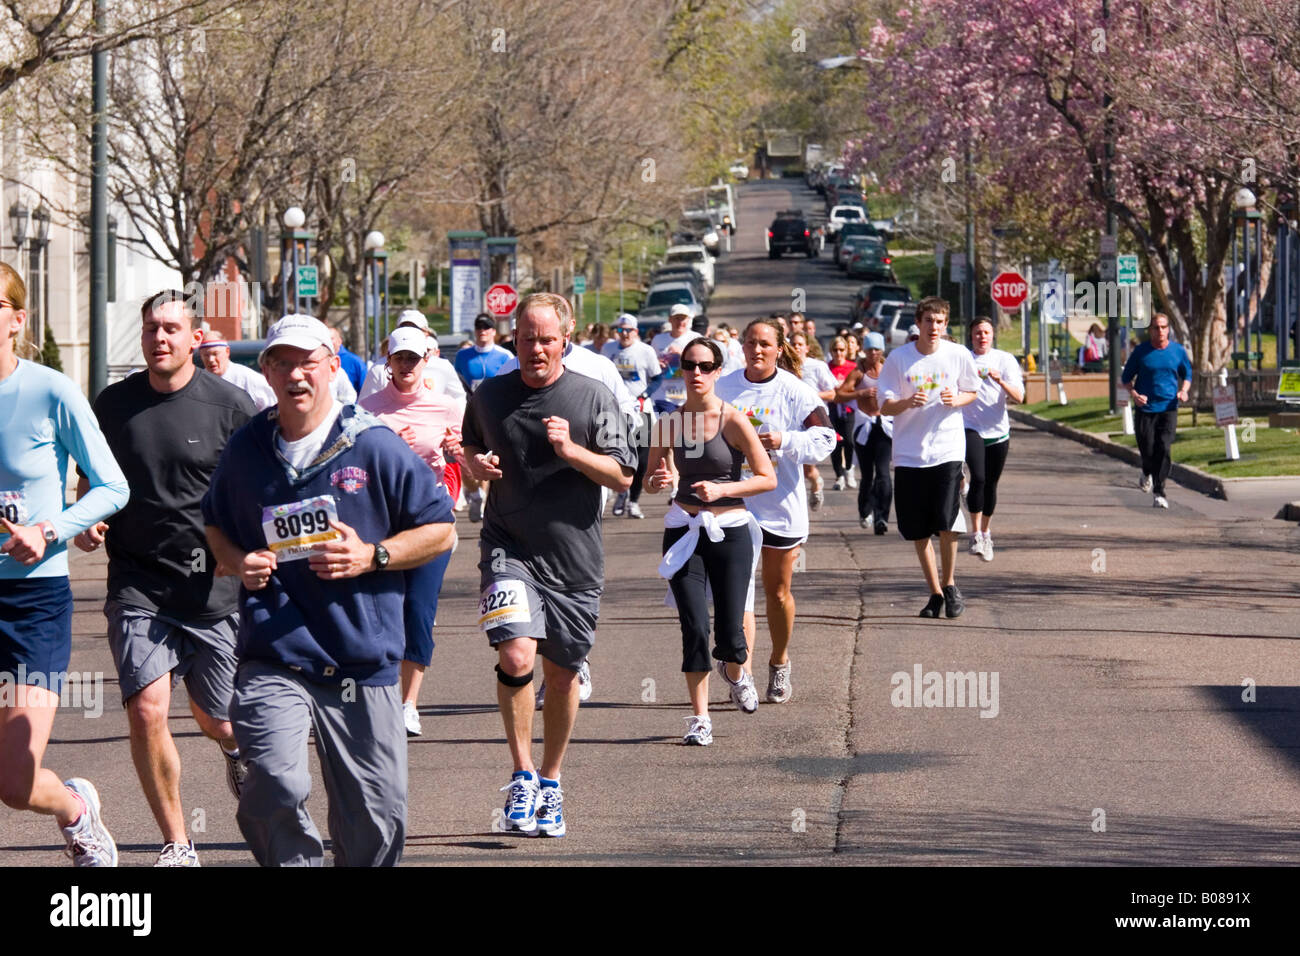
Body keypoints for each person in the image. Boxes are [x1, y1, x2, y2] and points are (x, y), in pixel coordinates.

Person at [202, 313, 456, 866]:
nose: (295, 375)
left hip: (361, 661)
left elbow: (441, 530)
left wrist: (373, 555)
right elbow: (215, 525)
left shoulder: (374, 446)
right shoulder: (247, 450)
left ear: (332, 367)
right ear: (266, 372)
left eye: (307, 362)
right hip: (276, 658)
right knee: (273, 782)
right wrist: (238, 561)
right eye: (281, 363)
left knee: (377, 819)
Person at [72, 290, 256, 867]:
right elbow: (93, 484)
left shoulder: (232, 407)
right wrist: (89, 522)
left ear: (196, 337)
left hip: (213, 590)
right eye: (151, 328)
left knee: (218, 718)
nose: (160, 338)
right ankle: (179, 842)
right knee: (148, 709)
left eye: (172, 328)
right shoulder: (113, 405)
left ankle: (234, 749)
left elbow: (257, 494)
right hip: (139, 584)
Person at [460, 293, 635, 837]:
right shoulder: (488, 395)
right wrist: (476, 465)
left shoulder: (593, 395)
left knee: (561, 677)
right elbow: (469, 449)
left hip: (575, 561)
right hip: (508, 547)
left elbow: (622, 474)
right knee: (515, 654)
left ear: (566, 338)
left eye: (545, 338)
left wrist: (572, 452)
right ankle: (521, 773)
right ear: (514, 338)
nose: (535, 348)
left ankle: (552, 782)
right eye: (527, 337)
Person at [0, 262, 129, 866]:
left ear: (16, 318)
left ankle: (75, 808)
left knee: (15, 783)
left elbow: (111, 487)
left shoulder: (50, 390)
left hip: (31, 603)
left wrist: (49, 530)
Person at [647, 338, 774, 744]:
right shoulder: (667, 423)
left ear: (718, 370)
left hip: (731, 531)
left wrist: (722, 491)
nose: (696, 373)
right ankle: (700, 718)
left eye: (705, 366)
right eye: (689, 366)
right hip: (684, 530)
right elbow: (650, 481)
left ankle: (735, 670)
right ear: (680, 370)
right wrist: (659, 480)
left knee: (732, 635)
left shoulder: (734, 420)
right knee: (695, 627)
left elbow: (766, 477)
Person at [715, 317, 835, 703]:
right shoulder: (725, 388)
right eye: (751, 342)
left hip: (780, 506)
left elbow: (826, 437)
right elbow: (693, 428)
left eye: (765, 343)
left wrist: (785, 440)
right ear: (743, 347)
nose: (757, 349)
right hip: (736, 503)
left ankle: (779, 661)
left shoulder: (795, 391)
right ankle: (742, 672)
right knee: (738, 594)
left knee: (778, 592)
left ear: (779, 349)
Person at [359, 327, 461, 737]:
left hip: (429, 523)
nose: (406, 365)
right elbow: (353, 473)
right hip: (380, 523)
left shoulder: (447, 408)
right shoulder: (367, 410)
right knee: (380, 613)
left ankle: (408, 704)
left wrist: (460, 457)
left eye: (413, 359)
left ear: (426, 361)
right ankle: (377, 697)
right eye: (399, 358)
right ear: (388, 361)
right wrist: (386, 450)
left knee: (418, 610)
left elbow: (465, 465)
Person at [878, 297, 980, 619]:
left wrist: (957, 399)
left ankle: (950, 585)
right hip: (909, 454)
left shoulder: (958, 355)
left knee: (946, 519)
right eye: (928, 321)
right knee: (918, 529)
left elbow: (972, 391)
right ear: (918, 323)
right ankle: (935, 592)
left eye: (939, 322)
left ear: (945, 324)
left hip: (947, 449)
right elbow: (884, 405)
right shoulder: (899, 359)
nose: (933, 327)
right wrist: (906, 402)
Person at [963, 317, 1024, 560]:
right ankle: (975, 533)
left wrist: (1000, 380)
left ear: (993, 335)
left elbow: (1019, 397)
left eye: (986, 332)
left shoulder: (1005, 359)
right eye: (977, 332)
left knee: (991, 483)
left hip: (998, 431)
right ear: (971, 336)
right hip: (970, 428)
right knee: (978, 477)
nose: (982, 337)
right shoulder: (964, 359)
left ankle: (986, 533)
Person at [1120, 313, 1191, 509]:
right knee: (1148, 448)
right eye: (1155, 328)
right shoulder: (1141, 352)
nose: (1160, 331)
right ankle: (1146, 471)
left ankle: (1159, 492)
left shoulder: (1177, 351)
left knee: (1164, 448)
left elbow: (1187, 374)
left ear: (1168, 329)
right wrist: (1135, 394)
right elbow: (1126, 379)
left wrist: (1184, 391)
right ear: (1150, 330)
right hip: (1146, 408)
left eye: (1163, 327)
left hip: (1169, 407)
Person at [454, 313, 514, 522]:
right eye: (479, 327)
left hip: (494, 411)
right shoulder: (463, 356)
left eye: (487, 327)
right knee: (464, 454)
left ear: (494, 332)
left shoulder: (504, 355)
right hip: (469, 409)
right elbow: (457, 383)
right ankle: (475, 493)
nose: (482, 331)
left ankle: (486, 498)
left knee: (490, 452)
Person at [836, 331, 893, 533]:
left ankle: (882, 517)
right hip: (864, 427)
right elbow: (840, 394)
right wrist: (861, 392)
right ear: (864, 350)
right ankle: (864, 511)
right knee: (868, 474)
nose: (873, 353)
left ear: (882, 350)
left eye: (877, 349)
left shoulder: (889, 369)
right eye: (869, 349)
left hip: (884, 426)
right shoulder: (858, 372)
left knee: (884, 473)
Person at [606, 314, 661, 519]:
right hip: (615, 411)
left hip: (641, 411)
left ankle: (634, 502)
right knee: (616, 455)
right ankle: (621, 491)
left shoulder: (645, 351)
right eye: (620, 330)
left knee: (643, 460)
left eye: (628, 330)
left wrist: (644, 395)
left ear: (636, 332)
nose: (624, 334)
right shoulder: (609, 350)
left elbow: (657, 378)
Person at [357, 310, 466, 408]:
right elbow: (364, 409)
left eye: (415, 328)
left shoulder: (443, 366)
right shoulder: (379, 369)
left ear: (426, 334)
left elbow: (459, 400)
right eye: (403, 328)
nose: (408, 332)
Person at [790, 330, 837, 510]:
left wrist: (810, 396)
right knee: (793, 465)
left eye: (800, 344)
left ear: (807, 348)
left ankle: (816, 482)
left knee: (808, 469)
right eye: (793, 344)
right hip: (793, 421)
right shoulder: (784, 368)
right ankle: (797, 505)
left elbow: (832, 393)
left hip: (813, 421)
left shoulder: (816, 366)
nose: (797, 348)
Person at [199, 329, 277, 410]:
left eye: (215, 354)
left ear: (227, 351)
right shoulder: (199, 382)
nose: (211, 359)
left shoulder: (248, 379)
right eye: (206, 355)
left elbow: (272, 408)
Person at [649, 304, 702, 415]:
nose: (680, 322)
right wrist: (657, 363)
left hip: (688, 396)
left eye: (683, 318)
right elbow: (651, 364)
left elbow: (702, 363)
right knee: (667, 430)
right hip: (664, 396)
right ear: (670, 319)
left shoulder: (696, 338)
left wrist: (682, 354)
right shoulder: (658, 339)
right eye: (677, 318)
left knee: (688, 431)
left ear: (688, 320)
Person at [333, 327, 367, 394]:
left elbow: (365, 391)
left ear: (339, 341)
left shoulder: (355, 362)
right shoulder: (318, 361)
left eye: (331, 338)